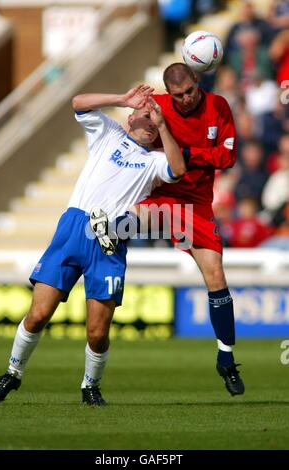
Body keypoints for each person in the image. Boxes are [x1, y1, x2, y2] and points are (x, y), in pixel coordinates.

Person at [0, 85, 186, 406]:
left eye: (157, 121)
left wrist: (165, 125)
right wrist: (121, 98)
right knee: (38, 314)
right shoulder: (108, 133)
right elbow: (77, 101)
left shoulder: (154, 162)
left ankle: (90, 386)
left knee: (97, 331)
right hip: (73, 229)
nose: (152, 122)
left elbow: (178, 171)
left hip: (109, 241)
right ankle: (12, 373)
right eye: (147, 116)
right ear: (131, 115)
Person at [98, 63, 245, 396]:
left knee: (217, 277)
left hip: (197, 204)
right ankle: (104, 234)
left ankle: (226, 358)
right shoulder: (157, 106)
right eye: (178, 95)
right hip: (161, 194)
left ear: (197, 81)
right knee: (129, 219)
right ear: (169, 93)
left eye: (190, 91)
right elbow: (131, 140)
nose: (186, 98)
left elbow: (228, 157)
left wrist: (187, 153)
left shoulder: (218, 106)